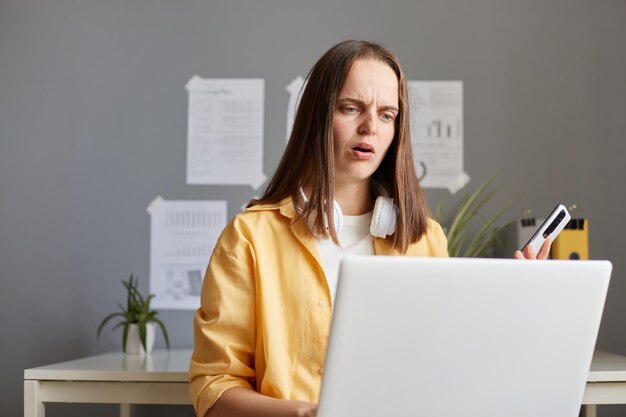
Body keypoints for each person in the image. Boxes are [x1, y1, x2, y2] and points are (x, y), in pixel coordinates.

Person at [189, 40, 550, 417]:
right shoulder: (250, 238)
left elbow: (450, 368)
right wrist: (303, 414)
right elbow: (214, 389)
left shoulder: (425, 240)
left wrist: (520, 308)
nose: (369, 128)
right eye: (351, 108)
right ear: (318, 116)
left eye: (387, 115)